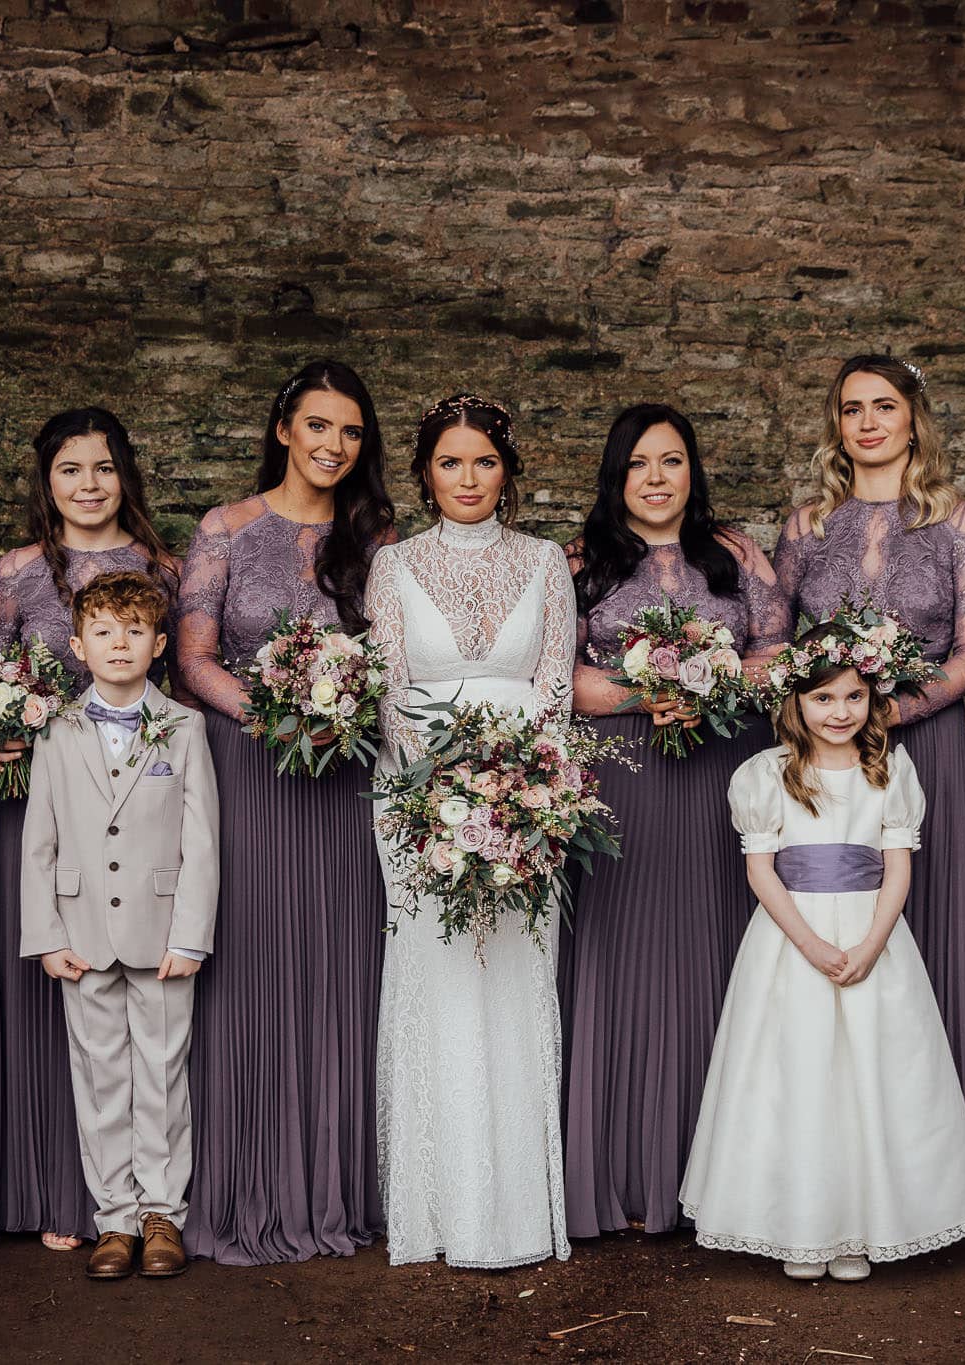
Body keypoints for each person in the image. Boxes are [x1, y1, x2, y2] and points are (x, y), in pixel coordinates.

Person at [681, 623, 965, 1281]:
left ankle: (857, 1228)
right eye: (822, 699)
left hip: (871, 934)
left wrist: (871, 944)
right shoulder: (765, 775)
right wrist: (813, 944)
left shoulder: (890, 769)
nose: (839, 712)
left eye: (853, 696)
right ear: (796, 702)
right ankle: (802, 1227)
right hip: (791, 939)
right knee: (794, 1075)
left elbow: (898, 869)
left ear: (872, 700)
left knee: (870, 1078)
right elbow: (761, 871)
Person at [176, 359, 395, 1264]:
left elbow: (391, 658)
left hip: (342, 776)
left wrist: (341, 706)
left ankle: (339, 1185)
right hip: (252, 767)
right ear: (283, 429)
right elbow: (189, 658)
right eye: (318, 427)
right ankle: (248, 1185)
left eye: (350, 432)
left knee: (345, 969)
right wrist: (269, 715)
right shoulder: (224, 528)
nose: (334, 446)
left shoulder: (377, 539)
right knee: (253, 969)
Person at [560, 402, 790, 1239]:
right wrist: (647, 692)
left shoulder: (733, 553)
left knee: (719, 955)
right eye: (639, 464)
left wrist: (711, 684)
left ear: (693, 470)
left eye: (672, 461)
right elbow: (558, 677)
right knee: (623, 958)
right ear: (615, 476)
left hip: (721, 777)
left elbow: (777, 652)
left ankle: (720, 1170)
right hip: (622, 779)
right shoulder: (580, 561)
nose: (656, 479)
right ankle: (622, 1170)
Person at [773, 355, 965, 1192]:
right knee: (836, 923)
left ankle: (931, 1160)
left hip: (919, 741)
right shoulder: (806, 527)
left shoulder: (960, 525)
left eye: (885, 407)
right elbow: (775, 638)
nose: (868, 423)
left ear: (914, 419)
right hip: (825, 760)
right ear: (837, 425)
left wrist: (892, 713)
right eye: (852, 409)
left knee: (926, 928)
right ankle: (834, 1142)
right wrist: (823, 721)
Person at [367, 394, 577, 1267]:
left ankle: (519, 1212)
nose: (467, 478)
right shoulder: (392, 563)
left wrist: (519, 792)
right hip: (420, 801)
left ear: (508, 471)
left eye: (484, 462)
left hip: (528, 796)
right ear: (424, 471)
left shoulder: (546, 560)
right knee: (442, 982)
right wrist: (443, 792)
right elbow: (387, 688)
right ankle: (441, 1207)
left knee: (516, 984)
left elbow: (556, 686)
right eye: (449, 462)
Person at [0, 407, 180, 1254]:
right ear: (48, 480)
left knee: (160, 1059)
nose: (89, 485)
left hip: (152, 821)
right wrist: (4, 725)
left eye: (104, 467)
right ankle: (92, 1206)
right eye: (71, 470)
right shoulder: (19, 571)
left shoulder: (163, 568)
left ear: (124, 475)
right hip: (54, 796)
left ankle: (161, 1210)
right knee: (89, 1052)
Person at [18, 571, 220, 1280]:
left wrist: (190, 934)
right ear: (78, 645)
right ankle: (114, 1219)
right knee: (100, 1078)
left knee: (163, 1075)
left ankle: (162, 1215)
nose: (119, 642)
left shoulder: (185, 727)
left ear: (160, 643)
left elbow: (201, 839)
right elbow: (38, 839)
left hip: (162, 932)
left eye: (135, 630)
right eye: (103, 630)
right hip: (81, 935)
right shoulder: (57, 729)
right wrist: (45, 935)